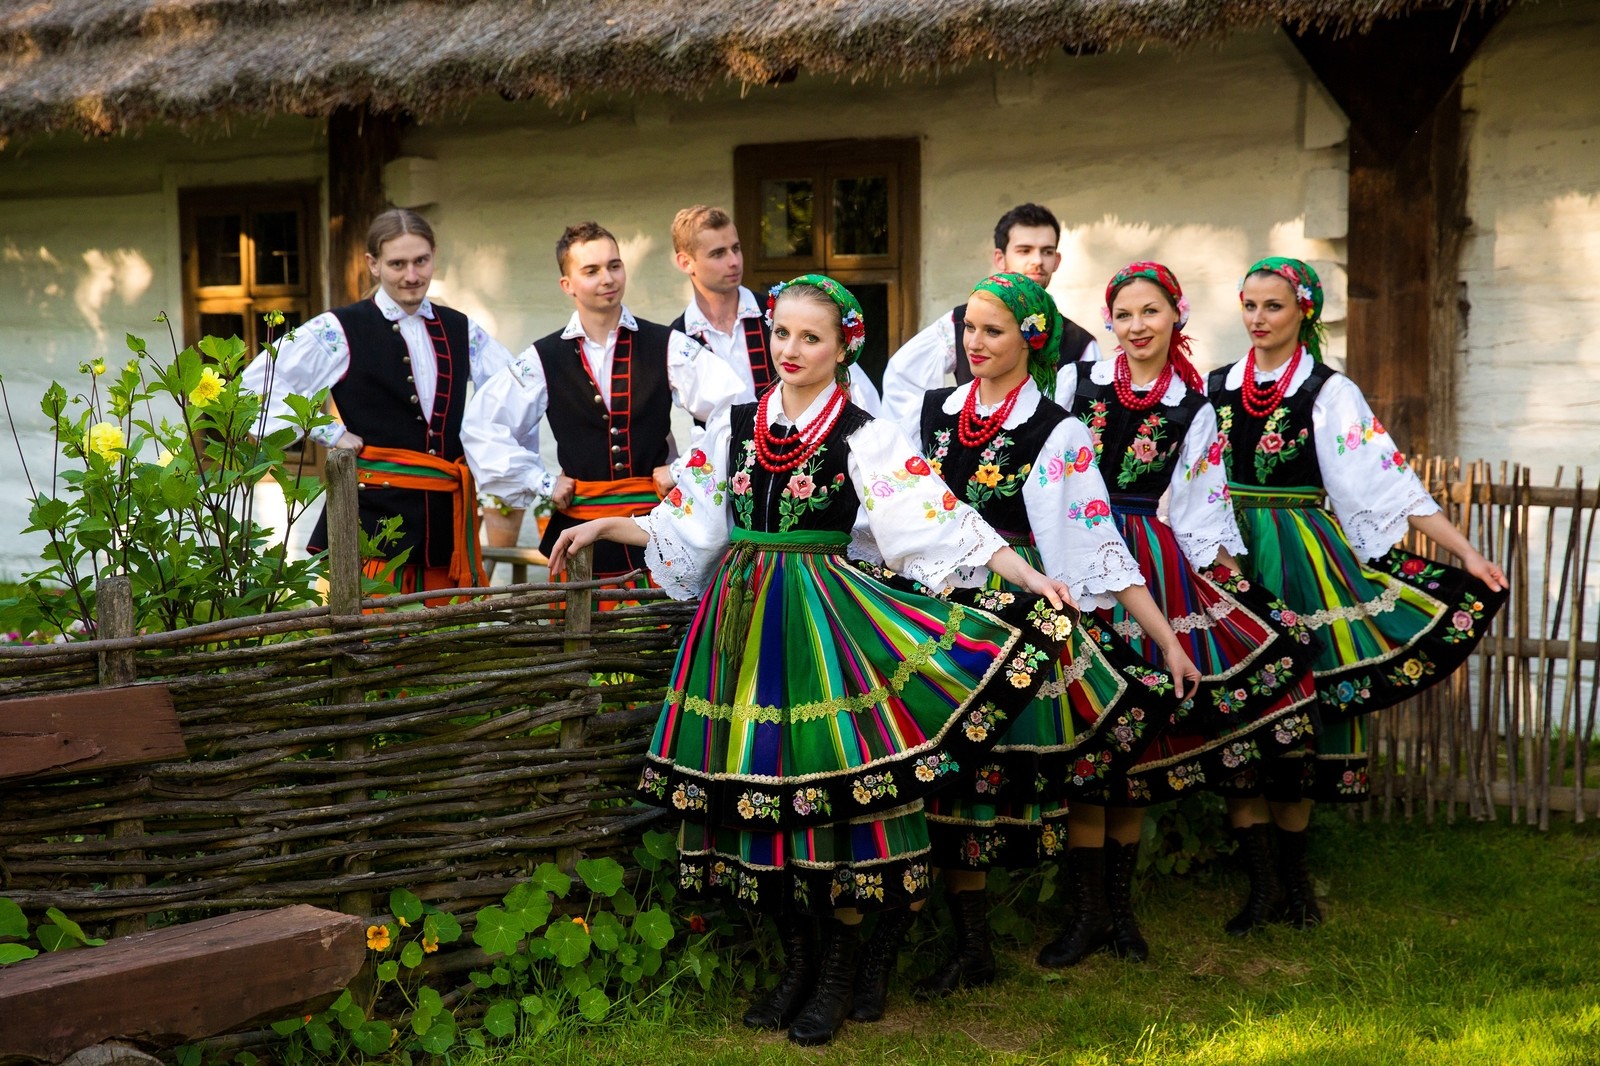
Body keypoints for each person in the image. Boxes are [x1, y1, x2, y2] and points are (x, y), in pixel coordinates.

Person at [548, 274, 1076, 1046]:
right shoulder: (736, 426)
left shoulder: (864, 433)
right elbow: (688, 521)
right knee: (760, 787)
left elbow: (937, 519)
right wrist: (602, 527)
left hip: (822, 621)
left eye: (811, 337)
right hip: (742, 625)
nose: (790, 349)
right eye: (781, 333)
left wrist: (1028, 575)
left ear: (842, 348)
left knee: (831, 792)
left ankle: (837, 972)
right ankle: (796, 964)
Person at [888, 272, 1198, 1009]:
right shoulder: (934, 412)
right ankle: (969, 945)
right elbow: (898, 508)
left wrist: (1166, 639)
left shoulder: (1055, 430)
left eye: (993, 331)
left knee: (980, 771)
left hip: (1013, 612)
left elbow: (1094, 544)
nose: (975, 343)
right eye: (969, 329)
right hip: (937, 604)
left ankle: (1007, 934)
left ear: (1031, 338)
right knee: (941, 772)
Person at [1208, 256, 1509, 932]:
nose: (1258, 318)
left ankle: (1296, 884)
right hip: (1228, 554)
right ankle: (1260, 887)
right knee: (1241, 711)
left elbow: (1386, 481)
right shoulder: (1216, 386)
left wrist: (1465, 553)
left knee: (1302, 712)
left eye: (1274, 306)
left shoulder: (1327, 390)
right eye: (1250, 305)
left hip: (1301, 557)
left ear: (1304, 311)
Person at [1040, 262, 1320, 966]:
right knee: (1086, 728)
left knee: (1135, 740)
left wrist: (1237, 592)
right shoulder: (1075, 385)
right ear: (1109, 322)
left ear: (1176, 317)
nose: (1137, 326)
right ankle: (1086, 915)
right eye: (1124, 314)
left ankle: (1121, 914)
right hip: (1074, 556)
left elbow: (1200, 514)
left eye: (1151, 312)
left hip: (1150, 569)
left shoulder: (1192, 409)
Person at [241, 208, 514, 602]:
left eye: (421, 261)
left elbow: (512, 393)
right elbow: (256, 386)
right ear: (373, 264)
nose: (412, 275)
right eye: (397, 264)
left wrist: (487, 451)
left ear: (434, 256)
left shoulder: (461, 329)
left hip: (445, 526)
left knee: (446, 633)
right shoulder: (340, 328)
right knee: (374, 633)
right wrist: (327, 430)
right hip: (372, 522)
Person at [461, 221, 743, 582]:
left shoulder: (667, 345)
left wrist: (681, 469)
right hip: (580, 533)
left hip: (655, 530)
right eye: (591, 270)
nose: (607, 278)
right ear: (567, 284)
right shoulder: (542, 358)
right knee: (585, 616)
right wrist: (541, 482)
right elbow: (482, 427)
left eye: (614, 265)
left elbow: (735, 411)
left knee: (659, 616)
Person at [880, 203, 1098, 424]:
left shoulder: (1081, 342)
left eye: (1047, 252)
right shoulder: (959, 321)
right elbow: (902, 376)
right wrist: (936, 428)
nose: (1038, 261)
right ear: (1000, 258)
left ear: (1057, 261)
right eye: (1024, 250)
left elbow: (1090, 413)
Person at [669, 204, 882, 414]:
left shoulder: (781, 313)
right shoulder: (677, 339)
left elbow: (856, 386)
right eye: (718, 254)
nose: (734, 261)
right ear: (685, 262)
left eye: (736, 248)